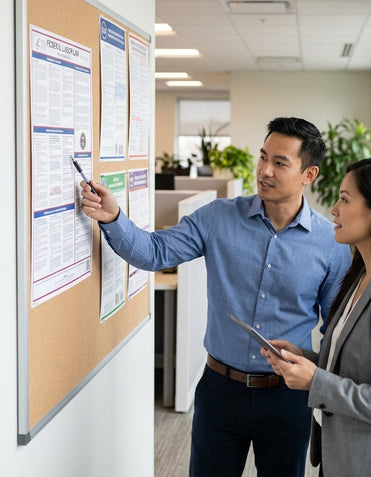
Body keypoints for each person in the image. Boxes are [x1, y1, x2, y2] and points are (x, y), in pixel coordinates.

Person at [80, 117, 352, 477]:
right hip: (220, 391)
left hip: (288, 395)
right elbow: (154, 252)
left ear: (309, 174)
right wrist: (113, 217)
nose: (265, 170)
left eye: (280, 163)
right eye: (263, 157)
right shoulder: (218, 218)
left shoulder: (330, 244)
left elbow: (338, 329)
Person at [262, 157, 371, 477]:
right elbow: (357, 369)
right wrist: (304, 359)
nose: (333, 209)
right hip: (344, 458)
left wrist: (315, 381)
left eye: (345, 199)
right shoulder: (360, 277)